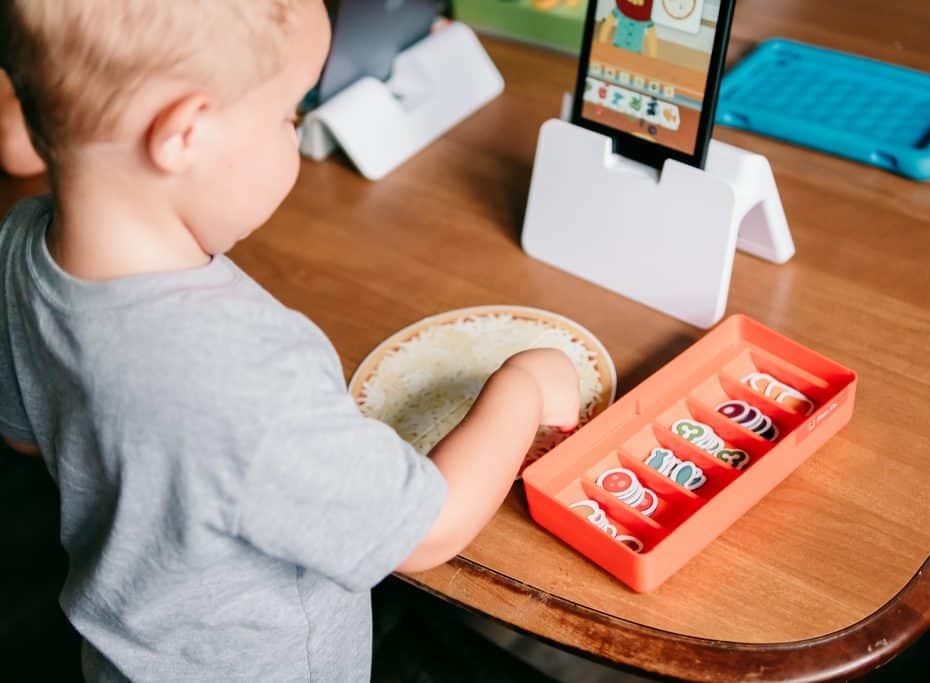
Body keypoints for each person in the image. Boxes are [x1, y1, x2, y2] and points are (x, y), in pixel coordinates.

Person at [0, 1, 580, 680]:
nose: (295, 133)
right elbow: (430, 529)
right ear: (185, 133)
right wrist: (524, 385)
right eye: (288, 113)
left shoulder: (20, 246)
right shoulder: (248, 377)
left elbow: (25, 433)